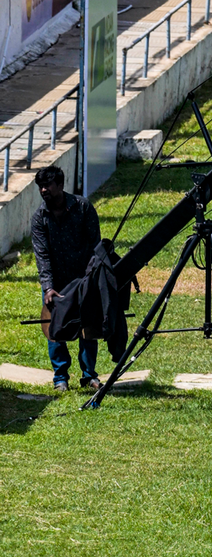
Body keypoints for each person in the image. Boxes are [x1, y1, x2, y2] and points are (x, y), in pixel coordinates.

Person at [30, 164, 102, 392]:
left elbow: (95, 246)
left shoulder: (83, 207)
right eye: (40, 186)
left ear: (60, 185)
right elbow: (42, 256)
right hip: (56, 282)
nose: (43, 190)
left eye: (47, 185)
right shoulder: (39, 218)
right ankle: (60, 377)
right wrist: (48, 287)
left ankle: (89, 375)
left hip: (83, 278)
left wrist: (91, 279)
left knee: (88, 328)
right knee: (54, 329)